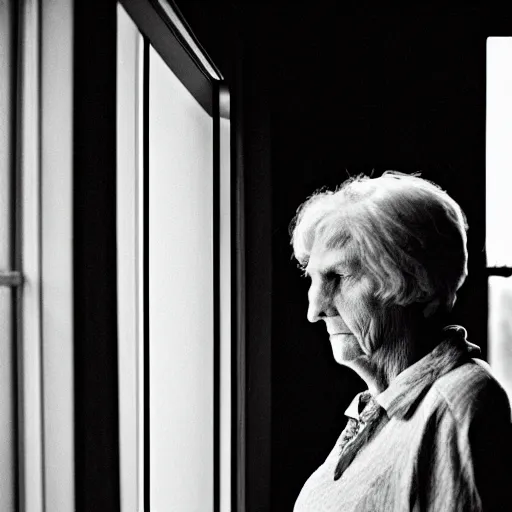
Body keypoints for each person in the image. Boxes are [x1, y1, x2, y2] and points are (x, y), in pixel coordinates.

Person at [290, 171, 512, 511]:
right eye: (314, 279)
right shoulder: (376, 408)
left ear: (416, 282)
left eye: (337, 276)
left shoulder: (456, 403)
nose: (315, 309)